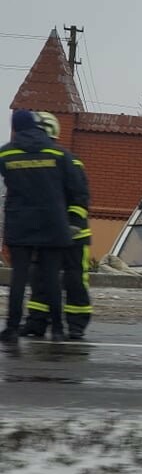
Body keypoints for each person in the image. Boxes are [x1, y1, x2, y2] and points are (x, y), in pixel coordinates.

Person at [0, 109, 81, 342]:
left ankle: (12, 328)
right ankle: (56, 329)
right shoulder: (57, 153)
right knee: (52, 278)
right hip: (53, 224)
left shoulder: (7, 154)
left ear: (15, 127)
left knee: (18, 278)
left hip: (20, 224)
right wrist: (73, 220)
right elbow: (75, 187)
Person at [20, 111, 93, 340]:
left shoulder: (69, 160)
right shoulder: (34, 161)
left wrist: (72, 223)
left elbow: (80, 197)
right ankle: (37, 323)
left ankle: (76, 325)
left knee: (74, 278)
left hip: (74, 234)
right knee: (39, 278)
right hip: (46, 233)